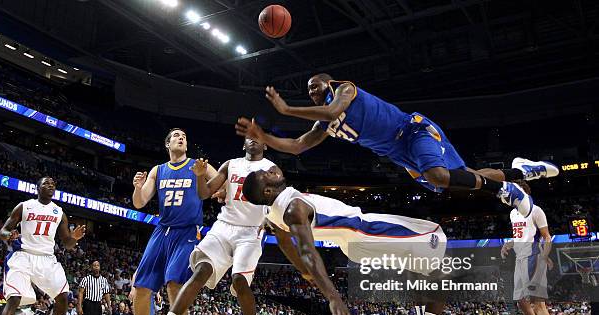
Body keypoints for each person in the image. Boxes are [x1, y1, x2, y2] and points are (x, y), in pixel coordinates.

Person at [235, 74, 560, 217]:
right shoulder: (325, 126)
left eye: (314, 86)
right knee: (459, 176)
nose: (312, 92)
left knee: (438, 176)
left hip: (413, 131)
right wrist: (264, 137)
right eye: (308, 91)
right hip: (401, 155)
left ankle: (506, 191)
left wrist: (287, 109)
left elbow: (333, 109)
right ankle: (519, 172)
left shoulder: (344, 90)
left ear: (327, 82)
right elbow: (295, 146)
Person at [240, 164, 461, 315]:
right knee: (436, 243)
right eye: (265, 174)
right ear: (268, 190)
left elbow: (284, 242)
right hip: (366, 233)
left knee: (422, 265)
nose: (270, 169)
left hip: (357, 239)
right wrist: (333, 296)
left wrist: (304, 272)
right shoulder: (293, 209)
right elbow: (308, 252)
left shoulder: (273, 212)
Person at [138, 138, 275, 315]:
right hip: (224, 226)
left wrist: (272, 217)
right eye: (249, 137)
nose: (253, 140)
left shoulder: (272, 169)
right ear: (243, 145)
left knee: (240, 282)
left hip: (251, 232)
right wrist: (200, 175)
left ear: (266, 145)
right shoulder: (230, 165)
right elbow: (204, 193)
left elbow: (278, 198)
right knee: (199, 272)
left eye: (258, 137)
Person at [114, 128, 216, 315]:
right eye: (177, 136)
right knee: (141, 287)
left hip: (187, 230)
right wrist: (138, 187)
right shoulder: (158, 170)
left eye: (185, 137)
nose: (182, 138)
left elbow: (217, 187)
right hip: (163, 230)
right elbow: (140, 203)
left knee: (174, 284)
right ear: (168, 144)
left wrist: (207, 179)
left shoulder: (197, 165)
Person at [0, 176, 86, 315]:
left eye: (53, 183)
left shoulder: (59, 212)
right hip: (23, 256)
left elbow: (66, 244)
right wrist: (8, 235)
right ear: (38, 188)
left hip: (47, 259)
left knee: (63, 296)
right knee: (14, 299)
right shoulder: (24, 206)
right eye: (46, 183)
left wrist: (74, 238)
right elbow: (3, 231)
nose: (51, 184)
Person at [501, 181, 564, 315]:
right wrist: (509, 243)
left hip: (533, 257)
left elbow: (546, 237)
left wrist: (544, 257)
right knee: (521, 302)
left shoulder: (536, 210)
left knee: (538, 304)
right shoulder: (513, 213)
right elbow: (520, 236)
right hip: (519, 258)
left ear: (522, 192)